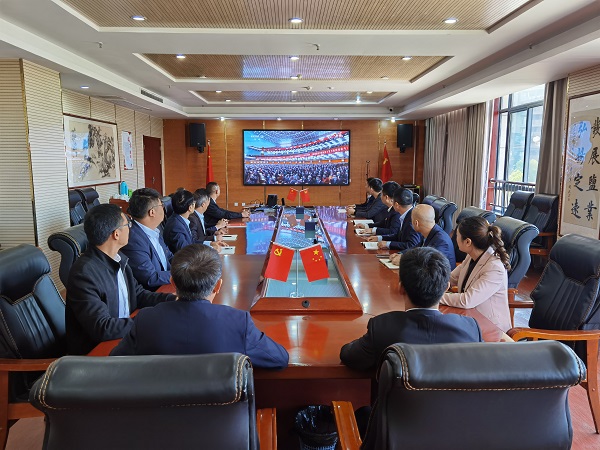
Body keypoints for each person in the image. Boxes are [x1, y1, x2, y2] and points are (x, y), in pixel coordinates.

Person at [111, 244, 289, 369]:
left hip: (161, 411)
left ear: (172, 283)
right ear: (218, 286)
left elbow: (114, 362)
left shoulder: (145, 320)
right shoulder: (238, 322)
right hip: (220, 412)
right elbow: (279, 359)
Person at [340, 247, 482, 371]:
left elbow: (348, 356)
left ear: (401, 288)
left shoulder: (382, 328)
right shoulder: (470, 329)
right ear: (446, 288)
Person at [66, 204, 174, 355]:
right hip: (99, 354)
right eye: (127, 225)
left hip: (123, 338)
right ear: (116, 234)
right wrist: (150, 322)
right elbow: (102, 327)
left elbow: (138, 294)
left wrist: (173, 300)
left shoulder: (118, 259)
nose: (131, 229)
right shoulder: (84, 274)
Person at [440, 216, 511, 332]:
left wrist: (435, 297)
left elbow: (467, 300)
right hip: (470, 318)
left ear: (468, 242)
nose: (455, 238)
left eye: (457, 235)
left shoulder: (494, 268)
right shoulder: (471, 256)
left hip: (491, 328)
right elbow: (451, 278)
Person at [121, 188, 173, 291]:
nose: (163, 209)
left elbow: (169, 256)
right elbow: (150, 277)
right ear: (152, 212)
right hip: (155, 292)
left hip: (168, 283)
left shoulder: (155, 229)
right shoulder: (133, 240)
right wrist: (181, 275)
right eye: (161, 206)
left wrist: (189, 266)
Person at [389, 203, 456, 267]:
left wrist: (403, 260)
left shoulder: (441, 241)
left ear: (416, 223)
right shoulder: (428, 232)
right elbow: (416, 249)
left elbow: (428, 263)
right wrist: (401, 254)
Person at [368, 187, 421, 251]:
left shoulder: (411, 219)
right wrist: (380, 238)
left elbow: (411, 245)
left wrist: (388, 244)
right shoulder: (407, 214)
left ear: (396, 205)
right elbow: (399, 236)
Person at [163, 189, 196, 254]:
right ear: (190, 207)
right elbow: (185, 251)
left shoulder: (178, 219)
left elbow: (192, 243)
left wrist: (210, 244)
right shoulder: (176, 227)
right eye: (193, 202)